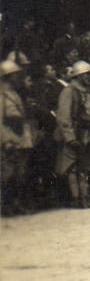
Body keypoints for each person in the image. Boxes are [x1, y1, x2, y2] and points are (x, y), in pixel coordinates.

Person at [56, 60, 90, 208]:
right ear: (78, 76)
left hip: (89, 133)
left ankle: (85, 197)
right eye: (86, 74)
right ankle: (76, 198)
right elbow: (64, 117)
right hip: (76, 133)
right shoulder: (69, 92)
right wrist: (70, 138)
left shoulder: (88, 91)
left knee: (85, 167)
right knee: (72, 167)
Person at [1, 58, 38, 214]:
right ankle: (6, 205)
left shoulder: (14, 93)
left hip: (20, 138)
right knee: (8, 174)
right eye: (15, 74)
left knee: (19, 173)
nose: (18, 77)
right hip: (10, 138)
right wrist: (5, 140)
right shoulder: (2, 95)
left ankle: (16, 204)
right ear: (7, 77)